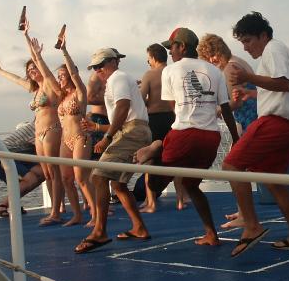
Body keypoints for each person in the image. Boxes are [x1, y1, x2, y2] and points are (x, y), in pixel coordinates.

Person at [135, 28, 240, 245]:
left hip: (184, 134)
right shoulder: (215, 71)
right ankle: (211, 234)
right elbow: (226, 109)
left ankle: (157, 146)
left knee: (154, 185)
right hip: (210, 138)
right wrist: (236, 140)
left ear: (182, 47)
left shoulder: (170, 71)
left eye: (171, 47)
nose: (170, 52)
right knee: (191, 186)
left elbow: (173, 108)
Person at [223, 12, 289, 257]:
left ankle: (251, 226)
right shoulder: (276, 52)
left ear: (263, 35)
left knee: (231, 166)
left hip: (275, 123)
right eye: (242, 43)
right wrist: (252, 93)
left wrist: (247, 77)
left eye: (248, 40)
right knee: (274, 182)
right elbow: (281, 89)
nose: (246, 47)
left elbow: (284, 84)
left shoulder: (273, 49)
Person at [75, 48, 153, 254]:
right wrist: (98, 128)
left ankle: (100, 231)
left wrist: (107, 138)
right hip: (134, 131)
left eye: (101, 65)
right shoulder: (118, 80)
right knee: (118, 184)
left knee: (99, 176)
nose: (98, 70)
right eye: (95, 67)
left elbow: (123, 108)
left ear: (114, 62)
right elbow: (124, 117)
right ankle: (139, 228)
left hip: (132, 132)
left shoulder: (117, 77)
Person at [0, 20, 64, 226]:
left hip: (51, 130)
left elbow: (43, 68)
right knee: (47, 173)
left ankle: (56, 211)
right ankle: (55, 209)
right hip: (38, 134)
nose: (32, 71)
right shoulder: (36, 90)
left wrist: (28, 41)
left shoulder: (49, 84)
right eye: (29, 69)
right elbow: (17, 80)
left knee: (54, 172)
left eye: (34, 68)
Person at [26, 29, 92, 227]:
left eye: (63, 75)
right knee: (66, 179)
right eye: (59, 75)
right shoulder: (61, 95)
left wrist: (64, 50)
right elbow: (46, 74)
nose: (61, 78)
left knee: (81, 178)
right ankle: (77, 215)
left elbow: (74, 74)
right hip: (65, 140)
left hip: (80, 137)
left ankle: (96, 214)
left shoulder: (80, 93)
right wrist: (36, 54)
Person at [197, 33, 258, 229]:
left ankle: (245, 215)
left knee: (233, 167)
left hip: (248, 122)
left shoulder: (230, 68)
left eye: (209, 59)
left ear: (214, 54)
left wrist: (215, 110)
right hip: (250, 120)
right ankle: (243, 211)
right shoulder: (238, 62)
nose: (210, 64)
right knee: (239, 168)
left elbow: (236, 102)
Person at [138, 43, 185, 212]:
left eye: (148, 59)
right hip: (174, 118)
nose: (148, 62)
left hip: (156, 119)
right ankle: (181, 199)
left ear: (153, 58)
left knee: (151, 160)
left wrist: (142, 94)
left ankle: (151, 202)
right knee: (176, 159)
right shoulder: (175, 72)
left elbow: (141, 99)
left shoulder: (150, 74)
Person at [0, 120, 45, 216]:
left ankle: (13, 203)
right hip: (4, 158)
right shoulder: (39, 128)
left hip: (20, 158)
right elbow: (45, 150)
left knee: (44, 173)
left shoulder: (38, 125)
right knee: (31, 179)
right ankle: (3, 205)